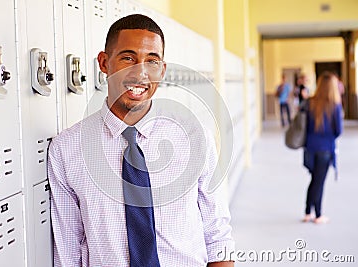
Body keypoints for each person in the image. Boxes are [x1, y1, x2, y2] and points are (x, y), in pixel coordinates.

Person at [48, 14, 235, 266]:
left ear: (163, 70)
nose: (140, 73)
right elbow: (68, 251)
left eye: (152, 61)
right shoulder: (66, 149)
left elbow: (217, 233)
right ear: (104, 63)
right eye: (128, 58)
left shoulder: (194, 136)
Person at [302, 71, 343, 224]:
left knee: (314, 180)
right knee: (319, 182)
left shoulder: (310, 102)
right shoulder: (335, 105)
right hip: (325, 149)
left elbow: (304, 126)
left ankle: (307, 212)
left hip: (309, 148)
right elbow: (338, 131)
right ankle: (318, 215)